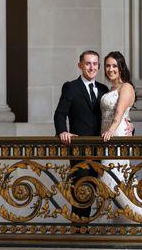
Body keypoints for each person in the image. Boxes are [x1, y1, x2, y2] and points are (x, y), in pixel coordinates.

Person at [100, 51, 142, 224]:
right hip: (106, 134)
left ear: (121, 67)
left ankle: (138, 218)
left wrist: (110, 131)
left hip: (116, 135)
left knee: (111, 176)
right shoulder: (110, 88)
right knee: (116, 177)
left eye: (114, 66)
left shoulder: (126, 87)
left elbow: (119, 112)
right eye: (108, 66)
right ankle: (117, 221)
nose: (110, 69)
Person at [53, 50, 109, 220]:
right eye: (88, 63)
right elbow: (60, 113)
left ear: (98, 66)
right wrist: (62, 130)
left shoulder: (103, 88)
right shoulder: (71, 87)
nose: (92, 67)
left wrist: (129, 126)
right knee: (81, 188)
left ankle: (85, 230)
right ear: (80, 65)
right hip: (79, 149)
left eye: (95, 64)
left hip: (101, 148)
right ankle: (79, 230)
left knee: (95, 188)